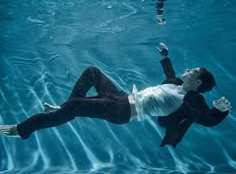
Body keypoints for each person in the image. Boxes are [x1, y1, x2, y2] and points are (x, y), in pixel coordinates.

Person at [0, 43, 231, 147]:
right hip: (120, 98)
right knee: (92, 72)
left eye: (194, 71)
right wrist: (165, 57)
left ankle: (23, 130)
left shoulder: (185, 103)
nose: (189, 69)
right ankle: (64, 107)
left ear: (198, 82)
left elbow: (206, 120)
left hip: (121, 111)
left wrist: (220, 111)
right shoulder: (177, 85)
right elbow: (170, 74)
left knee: (73, 108)